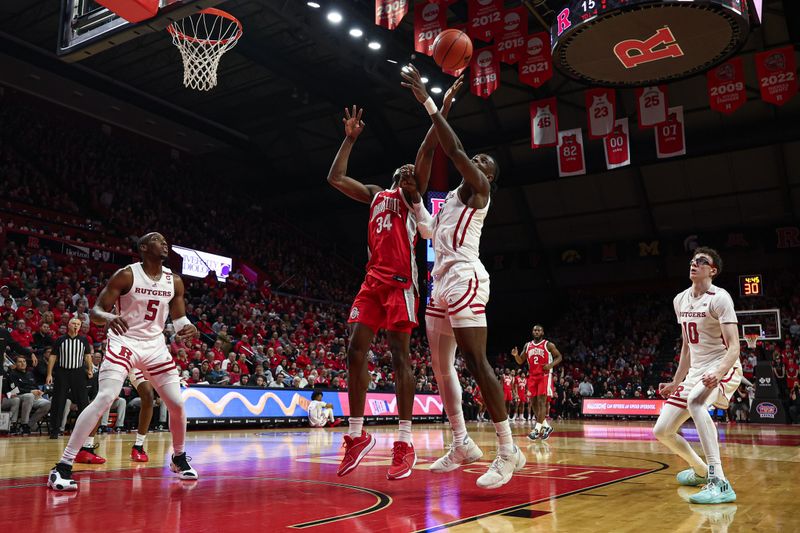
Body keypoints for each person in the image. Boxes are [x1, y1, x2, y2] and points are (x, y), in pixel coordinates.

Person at [326, 81, 458, 481]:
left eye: (410, 173)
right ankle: (356, 435)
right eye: (399, 171)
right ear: (391, 177)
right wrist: (349, 140)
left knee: (400, 356)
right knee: (354, 350)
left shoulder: (407, 199)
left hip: (401, 283)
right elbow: (334, 177)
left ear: (414, 181)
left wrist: (442, 106)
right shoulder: (375, 194)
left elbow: (426, 150)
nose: (405, 172)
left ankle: (404, 440)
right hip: (372, 281)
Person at [400, 63, 525, 489]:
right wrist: (416, 203)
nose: (476, 161)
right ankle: (461, 442)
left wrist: (432, 103)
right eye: (477, 159)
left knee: (476, 361)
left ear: (487, 176)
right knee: (441, 366)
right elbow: (429, 224)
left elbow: (452, 150)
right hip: (441, 280)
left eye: (483, 162)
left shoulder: (480, 191)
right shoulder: (451, 200)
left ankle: (507, 450)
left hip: (468, 278)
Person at [48, 232, 199, 491]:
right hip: (124, 341)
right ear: (143, 247)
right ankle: (62, 466)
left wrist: (188, 327)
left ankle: (178, 458)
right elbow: (95, 312)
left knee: (176, 403)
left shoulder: (174, 280)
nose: (164, 244)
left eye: (165, 241)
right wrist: (108, 317)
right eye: (157, 240)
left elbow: (179, 318)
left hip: (154, 346)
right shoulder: (126, 274)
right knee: (106, 397)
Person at [653, 247, 742, 504]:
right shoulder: (680, 299)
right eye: (693, 260)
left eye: (702, 261)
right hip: (695, 371)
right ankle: (701, 471)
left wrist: (719, 372)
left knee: (696, 402)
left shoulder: (720, 298)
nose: (695, 263)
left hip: (723, 365)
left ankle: (720, 481)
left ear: (712, 270)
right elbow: (686, 346)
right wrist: (676, 381)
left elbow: (734, 346)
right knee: (662, 430)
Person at [512, 324, 563, 440]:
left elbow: (559, 357)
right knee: (533, 403)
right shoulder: (528, 345)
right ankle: (546, 426)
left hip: (544, 375)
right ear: (532, 332)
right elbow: (520, 361)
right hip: (532, 376)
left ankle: (537, 429)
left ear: (542, 332)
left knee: (541, 402)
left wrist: (550, 365)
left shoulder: (548, 345)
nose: (536, 332)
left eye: (539, 330)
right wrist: (515, 355)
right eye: (535, 330)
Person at [47, 318, 94, 444]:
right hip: (62, 372)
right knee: (58, 401)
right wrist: (49, 374)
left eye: (78, 324)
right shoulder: (60, 340)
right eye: (74, 323)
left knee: (83, 401)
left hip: (78, 372)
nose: (76, 326)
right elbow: (53, 357)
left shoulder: (84, 340)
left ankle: (84, 430)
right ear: (68, 325)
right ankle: (55, 430)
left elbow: (87, 356)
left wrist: (90, 369)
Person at [8, 355, 51, 434]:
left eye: (24, 361)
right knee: (29, 396)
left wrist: (39, 391)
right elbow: (15, 390)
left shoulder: (30, 374)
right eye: (20, 362)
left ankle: (28, 425)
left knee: (47, 404)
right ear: (15, 364)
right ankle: (23, 423)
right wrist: (31, 391)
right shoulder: (12, 374)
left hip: (33, 397)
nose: (22, 363)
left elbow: (35, 386)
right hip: (20, 396)